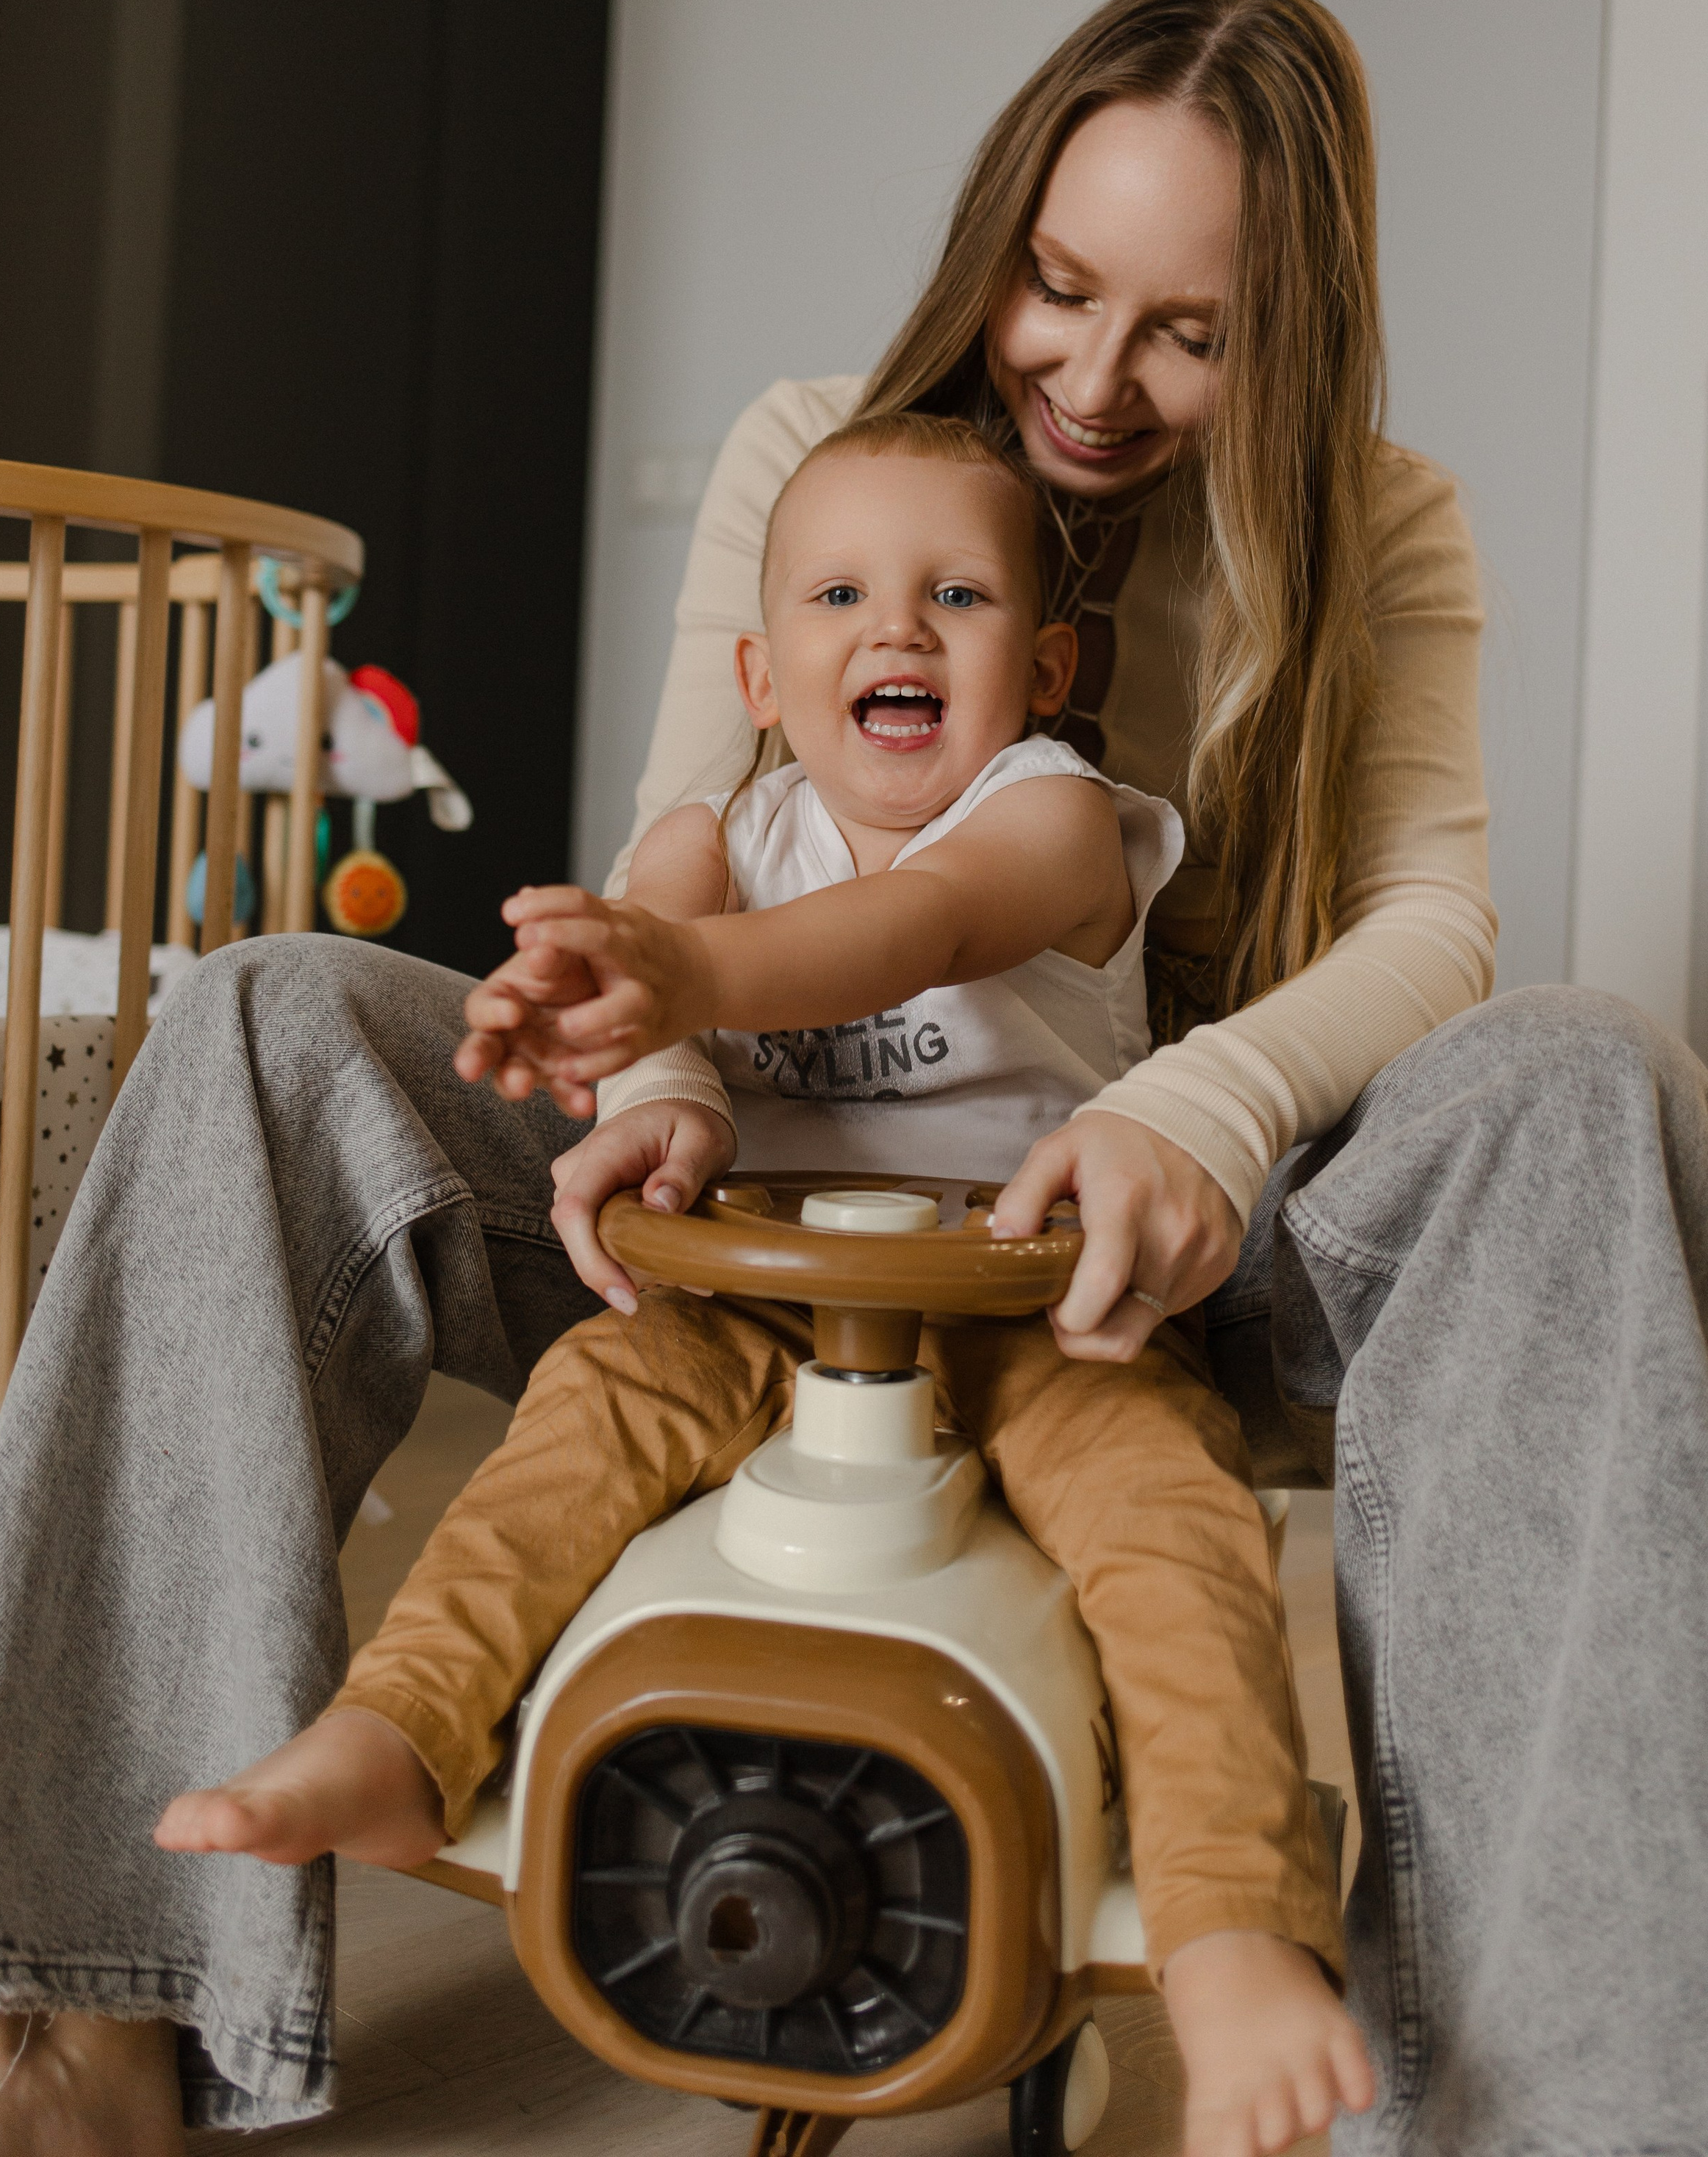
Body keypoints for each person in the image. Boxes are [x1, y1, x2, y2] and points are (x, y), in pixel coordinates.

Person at [0, 0, 1708, 2157]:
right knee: (270, 1007)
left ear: (1291, 336)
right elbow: (677, 864)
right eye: (1062, 288)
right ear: (998, 230)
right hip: (743, 1192)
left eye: (1189, 335)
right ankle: (85, 1995)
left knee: (1580, 1070)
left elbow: (1430, 927)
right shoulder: (808, 447)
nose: (1094, 381)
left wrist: (1190, 1111)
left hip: (1159, 1245)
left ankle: (1553, 2103)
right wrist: (656, 1092)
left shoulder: (1384, 525)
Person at [156, 411, 1372, 2157]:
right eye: (837, 595)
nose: (895, 629)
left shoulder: (1055, 820)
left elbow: (917, 929)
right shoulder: (724, 832)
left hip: (1038, 1311)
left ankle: (1233, 1932)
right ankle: (395, 1738)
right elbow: (637, 913)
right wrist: (584, 983)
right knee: (572, 1435)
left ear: (1039, 665)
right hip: (755, 1299)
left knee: (1173, 1540)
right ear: (759, 668)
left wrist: (681, 968)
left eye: (952, 596)